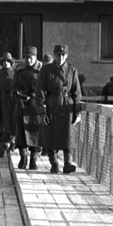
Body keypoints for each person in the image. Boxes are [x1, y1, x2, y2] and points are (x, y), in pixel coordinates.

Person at [42, 43, 82, 174]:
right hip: (51, 104)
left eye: (63, 55)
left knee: (68, 135)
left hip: (66, 105)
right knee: (51, 136)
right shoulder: (46, 70)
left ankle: (67, 164)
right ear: (54, 55)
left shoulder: (72, 70)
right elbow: (40, 92)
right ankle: (54, 164)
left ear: (67, 55)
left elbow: (76, 92)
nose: (61, 57)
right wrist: (42, 111)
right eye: (58, 54)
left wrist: (77, 111)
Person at [13, 46, 46, 170]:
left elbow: (44, 88)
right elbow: (13, 86)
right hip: (21, 105)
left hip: (35, 107)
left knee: (35, 134)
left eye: (31, 58)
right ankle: (23, 158)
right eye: (26, 58)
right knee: (21, 133)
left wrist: (34, 96)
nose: (28, 60)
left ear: (36, 57)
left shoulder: (42, 70)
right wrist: (18, 95)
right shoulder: (19, 70)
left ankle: (33, 160)